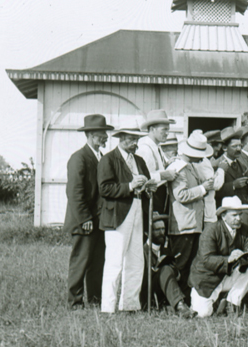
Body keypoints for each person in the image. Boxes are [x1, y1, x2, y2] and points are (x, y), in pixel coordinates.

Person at [97, 118, 153, 314]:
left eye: (136, 139)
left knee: (136, 260)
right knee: (114, 262)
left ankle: (130, 305)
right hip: (118, 214)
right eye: (130, 139)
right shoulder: (109, 160)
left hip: (138, 209)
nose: (134, 143)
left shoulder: (139, 160)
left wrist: (148, 185)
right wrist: (130, 186)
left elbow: (146, 183)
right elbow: (104, 188)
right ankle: (108, 307)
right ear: (120, 139)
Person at [64, 114, 111, 309]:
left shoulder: (100, 157)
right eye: (101, 135)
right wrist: (84, 218)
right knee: (80, 262)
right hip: (84, 221)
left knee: (97, 262)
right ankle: (74, 303)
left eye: (105, 134)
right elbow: (75, 192)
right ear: (91, 135)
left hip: (99, 222)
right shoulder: (79, 158)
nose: (105, 138)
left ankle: (94, 301)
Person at [189, 196, 248, 317]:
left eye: (240, 215)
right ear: (223, 216)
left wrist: (246, 257)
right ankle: (218, 301)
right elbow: (206, 260)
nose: (239, 219)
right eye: (234, 215)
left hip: (228, 275)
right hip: (206, 278)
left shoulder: (246, 229)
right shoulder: (211, 230)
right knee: (203, 314)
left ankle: (231, 303)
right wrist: (229, 259)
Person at [167, 132, 214, 296]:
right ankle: (174, 298)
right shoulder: (178, 169)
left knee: (189, 264)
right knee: (181, 263)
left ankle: (185, 298)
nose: (201, 159)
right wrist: (203, 189)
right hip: (183, 225)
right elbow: (181, 195)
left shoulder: (190, 167)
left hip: (192, 224)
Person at [142, 213, 195, 318]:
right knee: (165, 269)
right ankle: (180, 306)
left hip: (165, 288)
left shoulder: (166, 249)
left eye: (163, 229)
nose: (162, 233)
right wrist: (156, 268)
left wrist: (175, 270)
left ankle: (183, 305)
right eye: (157, 230)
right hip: (148, 289)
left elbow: (177, 276)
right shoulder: (142, 250)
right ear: (147, 233)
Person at [136, 110, 178, 214]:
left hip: (159, 198)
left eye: (168, 130)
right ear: (152, 129)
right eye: (164, 130)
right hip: (151, 199)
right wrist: (164, 175)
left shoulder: (156, 146)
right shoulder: (145, 149)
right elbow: (143, 178)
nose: (167, 133)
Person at [217, 128, 248, 206]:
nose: (239, 149)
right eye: (234, 146)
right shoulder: (216, 165)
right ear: (225, 148)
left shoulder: (241, 164)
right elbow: (212, 191)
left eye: (240, 146)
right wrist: (233, 185)